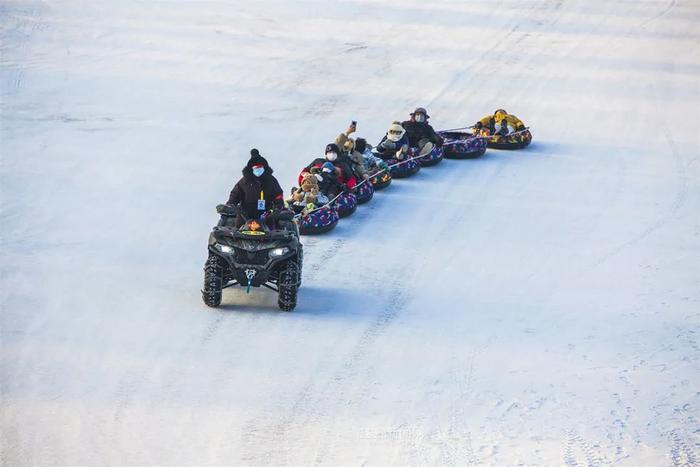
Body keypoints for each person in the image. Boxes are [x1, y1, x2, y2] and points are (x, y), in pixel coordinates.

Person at [225, 149, 284, 228]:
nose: (258, 170)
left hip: (266, 214)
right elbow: (235, 194)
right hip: (245, 215)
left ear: (264, 168)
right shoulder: (244, 181)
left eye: (260, 168)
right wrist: (231, 204)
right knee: (237, 230)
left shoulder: (271, 180)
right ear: (251, 169)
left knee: (272, 229)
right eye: (256, 168)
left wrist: (278, 206)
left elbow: (278, 194)